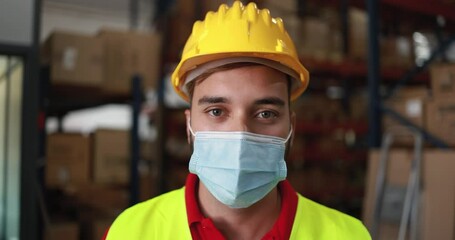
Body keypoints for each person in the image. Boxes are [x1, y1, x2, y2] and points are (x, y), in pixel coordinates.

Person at [104, 1, 371, 239]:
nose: (240, 134)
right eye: (217, 111)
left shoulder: (348, 235)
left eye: (266, 113)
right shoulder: (131, 231)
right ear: (189, 125)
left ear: (292, 127)